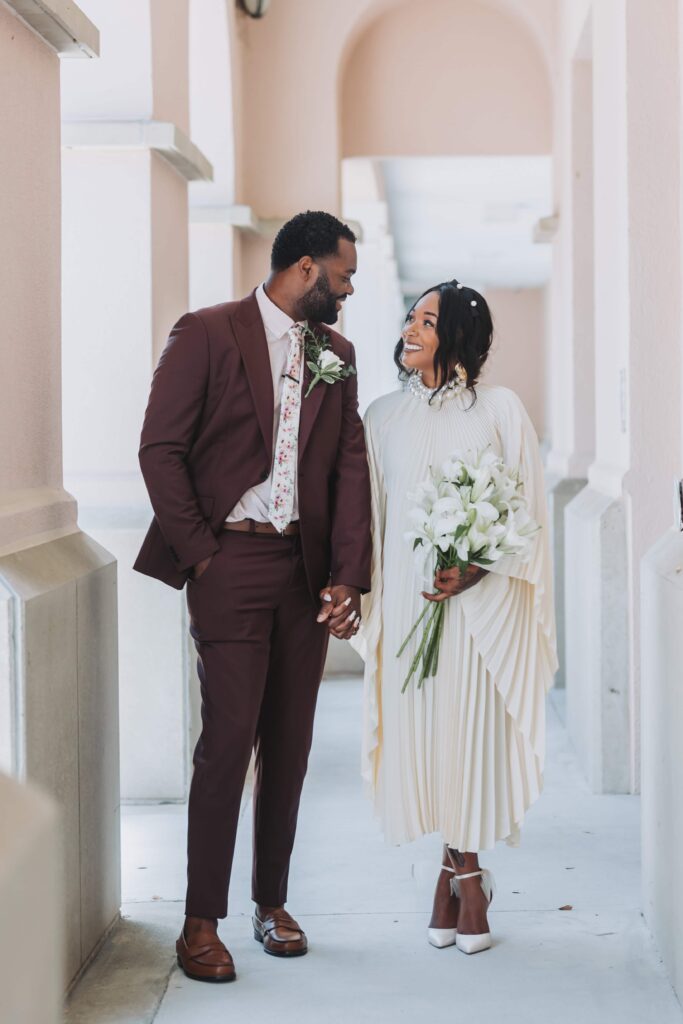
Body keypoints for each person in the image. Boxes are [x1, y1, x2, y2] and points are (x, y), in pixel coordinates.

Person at [134, 211, 372, 982]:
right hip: (228, 563)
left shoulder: (336, 355)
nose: (346, 291)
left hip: (304, 574)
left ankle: (272, 903)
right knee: (227, 743)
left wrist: (346, 575)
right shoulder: (205, 332)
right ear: (306, 269)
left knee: (291, 745)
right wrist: (202, 555)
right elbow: (160, 449)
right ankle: (199, 921)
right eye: (341, 276)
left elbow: (347, 469)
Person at [355, 279, 557, 955]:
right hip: (408, 607)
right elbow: (371, 523)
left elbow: (526, 510)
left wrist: (473, 568)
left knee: (465, 738)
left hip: (477, 610)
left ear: (460, 335)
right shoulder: (380, 416)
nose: (410, 329)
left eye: (428, 321)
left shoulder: (500, 410)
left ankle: (464, 876)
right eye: (410, 318)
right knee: (425, 744)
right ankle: (454, 870)